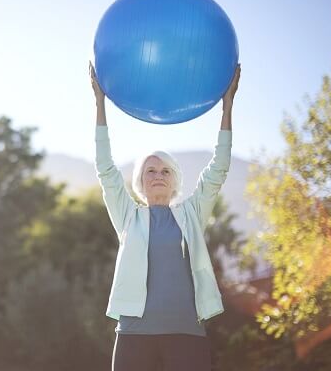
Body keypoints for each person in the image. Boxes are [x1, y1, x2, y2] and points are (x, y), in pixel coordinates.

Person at [89, 61, 241, 371]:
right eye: (150, 171)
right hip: (134, 333)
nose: (158, 175)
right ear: (140, 181)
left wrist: (227, 106)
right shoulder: (129, 216)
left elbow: (218, 169)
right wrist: (99, 103)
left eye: (165, 171)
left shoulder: (191, 215)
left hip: (186, 332)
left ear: (174, 181)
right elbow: (106, 169)